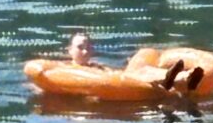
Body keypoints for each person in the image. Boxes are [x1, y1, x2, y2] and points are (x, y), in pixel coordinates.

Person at [67, 33, 203, 91]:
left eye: (88, 47)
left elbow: (114, 75)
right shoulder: (66, 70)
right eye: (80, 47)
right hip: (113, 87)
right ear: (69, 50)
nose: (85, 51)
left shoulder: (98, 67)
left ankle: (179, 77)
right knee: (142, 74)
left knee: (142, 73)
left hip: (120, 82)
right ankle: (179, 77)